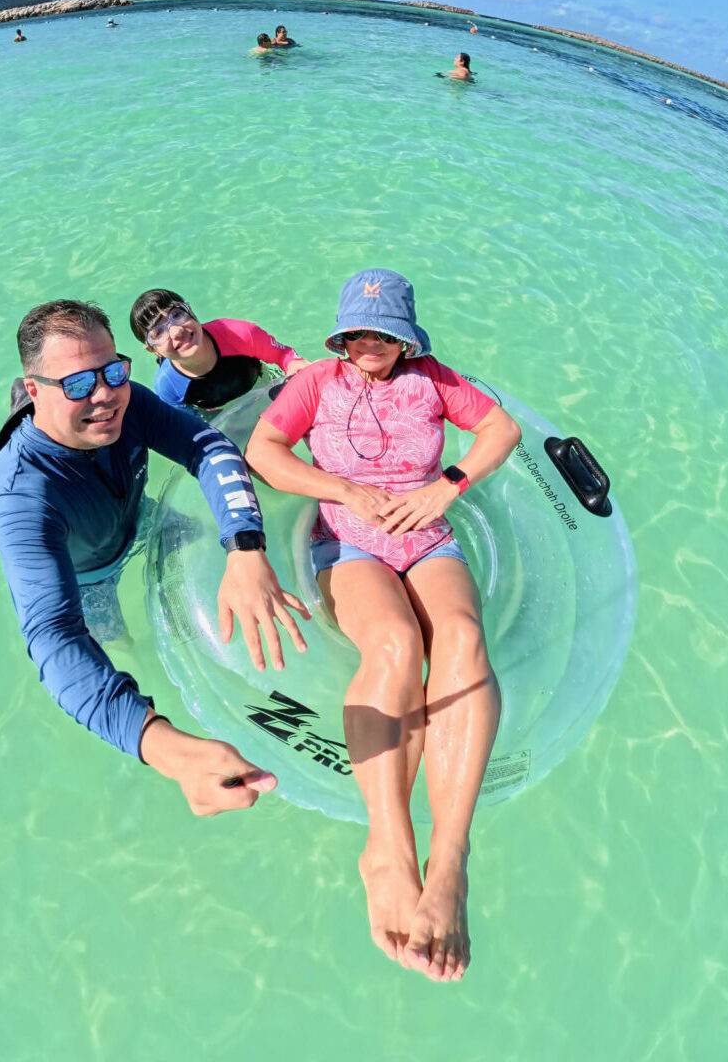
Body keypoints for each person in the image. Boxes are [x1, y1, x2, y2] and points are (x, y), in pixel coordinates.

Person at [243, 270, 522, 983]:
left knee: (459, 638)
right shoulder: (316, 384)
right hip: (348, 540)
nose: (370, 344)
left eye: (385, 333)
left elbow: (501, 428)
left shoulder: (433, 379)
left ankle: (450, 861)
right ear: (339, 336)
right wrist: (340, 489)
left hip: (427, 537)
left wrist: (447, 487)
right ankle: (389, 848)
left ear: (406, 338)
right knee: (396, 644)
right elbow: (264, 454)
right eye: (357, 332)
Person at [0, 299, 309, 816]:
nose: (105, 396)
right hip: (90, 577)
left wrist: (245, 547)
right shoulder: (21, 498)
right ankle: (134, 649)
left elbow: (205, 444)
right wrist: (167, 748)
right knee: (115, 638)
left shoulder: (128, 400)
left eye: (112, 370)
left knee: (209, 539)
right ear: (33, 392)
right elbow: (53, 635)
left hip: (141, 516)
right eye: (75, 384)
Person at [130, 289, 302, 411]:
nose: (177, 331)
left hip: (263, 387)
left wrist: (295, 366)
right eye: (158, 332)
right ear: (154, 350)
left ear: (191, 311)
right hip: (220, 417)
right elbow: (187, 429)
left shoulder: (237, 333)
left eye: (176, 314)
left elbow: (284, 356)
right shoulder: (168, 386)